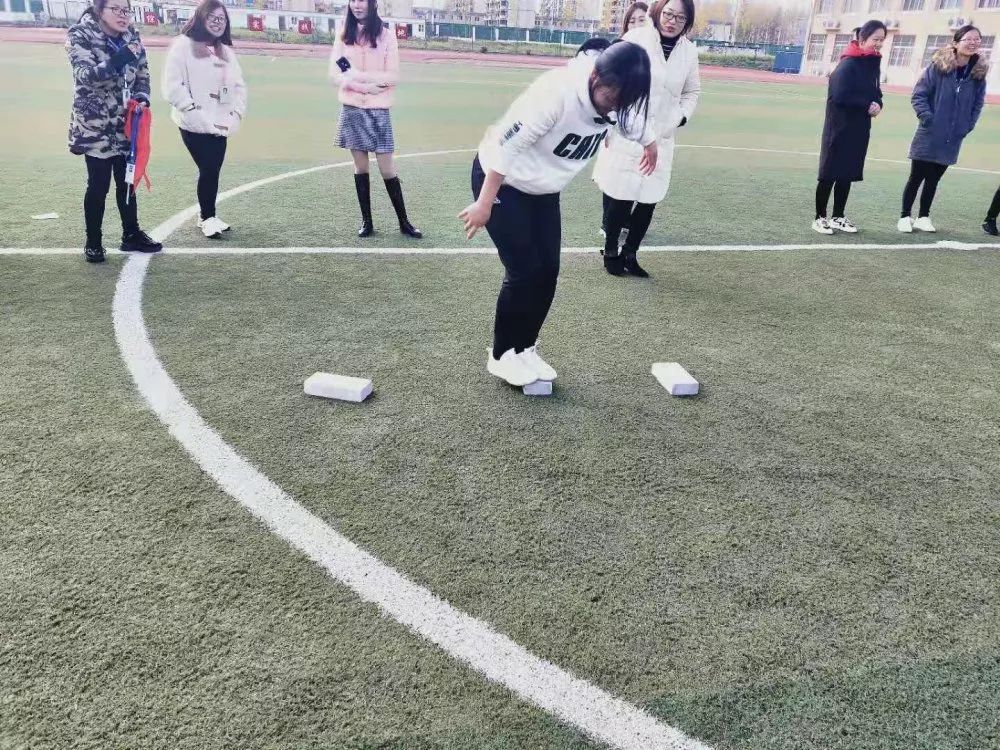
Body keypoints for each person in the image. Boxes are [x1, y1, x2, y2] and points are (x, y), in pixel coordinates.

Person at [459, 42, 657, 388]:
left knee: (548, 271)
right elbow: (506, 148)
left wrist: (651, 145)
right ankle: (502, 355)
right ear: (595, 78)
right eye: (612, 98)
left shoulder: (618, 101)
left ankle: (525, 348)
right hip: (503, 182)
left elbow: (633, 123)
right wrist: (484, 204)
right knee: (524, 271)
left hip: (543, 191)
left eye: (624, 101)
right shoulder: (555, 94)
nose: (616, 107)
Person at [592, 0, 699, 277]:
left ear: (687, 22)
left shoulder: (689, 52)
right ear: (658, 11)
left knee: (649, 199)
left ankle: (631, 253)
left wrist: (680, 117)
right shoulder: (636, 38)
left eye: (680, 17)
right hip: (630, 133)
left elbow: (692, 92)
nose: (672, 21)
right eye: (668, 13)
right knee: (621, 195)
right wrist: (611, 122)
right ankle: (611, 252)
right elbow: (609, 79)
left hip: (662, 136)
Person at [66, 0, 162, 263]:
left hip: (126, 122)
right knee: (98, 185)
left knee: (127, 180)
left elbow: (142, 73)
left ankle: (131, 234)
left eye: (126, 10)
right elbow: (85, 75)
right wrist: (120, 57)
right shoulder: (80, 34)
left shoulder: (131, 35)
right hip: (95, 125)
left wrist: (142, 97)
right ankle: (93, 242)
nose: (123, 15)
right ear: (100, 10)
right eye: (116, 9)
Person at [329, 0, 421, 239]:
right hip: (352, 108)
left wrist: (360, 77)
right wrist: (363, 86)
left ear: (373, 4)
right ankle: (367, 221)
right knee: (361, 167)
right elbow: (337, 72)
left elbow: (392, 75)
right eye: (353, 0)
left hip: (379, 109)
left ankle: (404, 222)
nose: (357, 5)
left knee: (387, 168)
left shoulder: (386, 36)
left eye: (362, 0)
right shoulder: (344, 34)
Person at [162, 0, 247, 239]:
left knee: (212, 170)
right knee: (209, 168)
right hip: (193, 122)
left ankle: (207, 214)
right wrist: (191, 110)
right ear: (201, 18)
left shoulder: (225, 51)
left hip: (222, 123)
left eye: (222, 19)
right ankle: (207, 217)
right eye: (213, 18)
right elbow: (172, 86)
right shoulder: (182, 46)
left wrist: (236, 113)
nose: (218, 23)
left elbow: (238, 85)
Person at [898, 24, 987, 233]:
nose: (973, 43)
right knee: (916, 177)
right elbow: (919, 95)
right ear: (956, 43)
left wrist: (967, 125)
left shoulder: (978, 73)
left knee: (934, 178)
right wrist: (927, 118)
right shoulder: (939, 67)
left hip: (953, 135)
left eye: (977, 39)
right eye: (968, 39)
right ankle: (904, 216)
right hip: (929, 131)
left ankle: (923, 217)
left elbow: (977, 104)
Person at [812, 20, 885, 235]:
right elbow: (840, 96)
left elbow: (876, 92)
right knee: (829, 174)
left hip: (859, 128)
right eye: (875, 39)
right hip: (839, 128)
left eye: (882, 40)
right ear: (862, 39)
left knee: (847, 173)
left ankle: (838, 216)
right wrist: (866, 105)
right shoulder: (848, 64)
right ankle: (819, 218)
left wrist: (878, 104)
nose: (879, 43)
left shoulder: (872, 64)